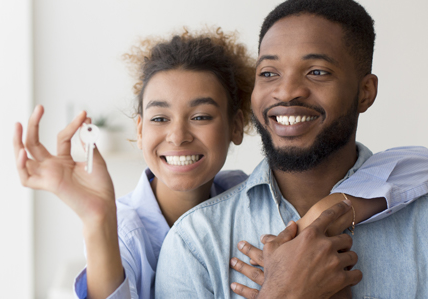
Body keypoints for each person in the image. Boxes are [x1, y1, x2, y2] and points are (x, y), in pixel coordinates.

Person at [154, 1, 428, 298]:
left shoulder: (421, 219)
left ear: (365, 93)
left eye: (317, 72)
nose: (286, 92)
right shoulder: (195, 242)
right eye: (269, 73)